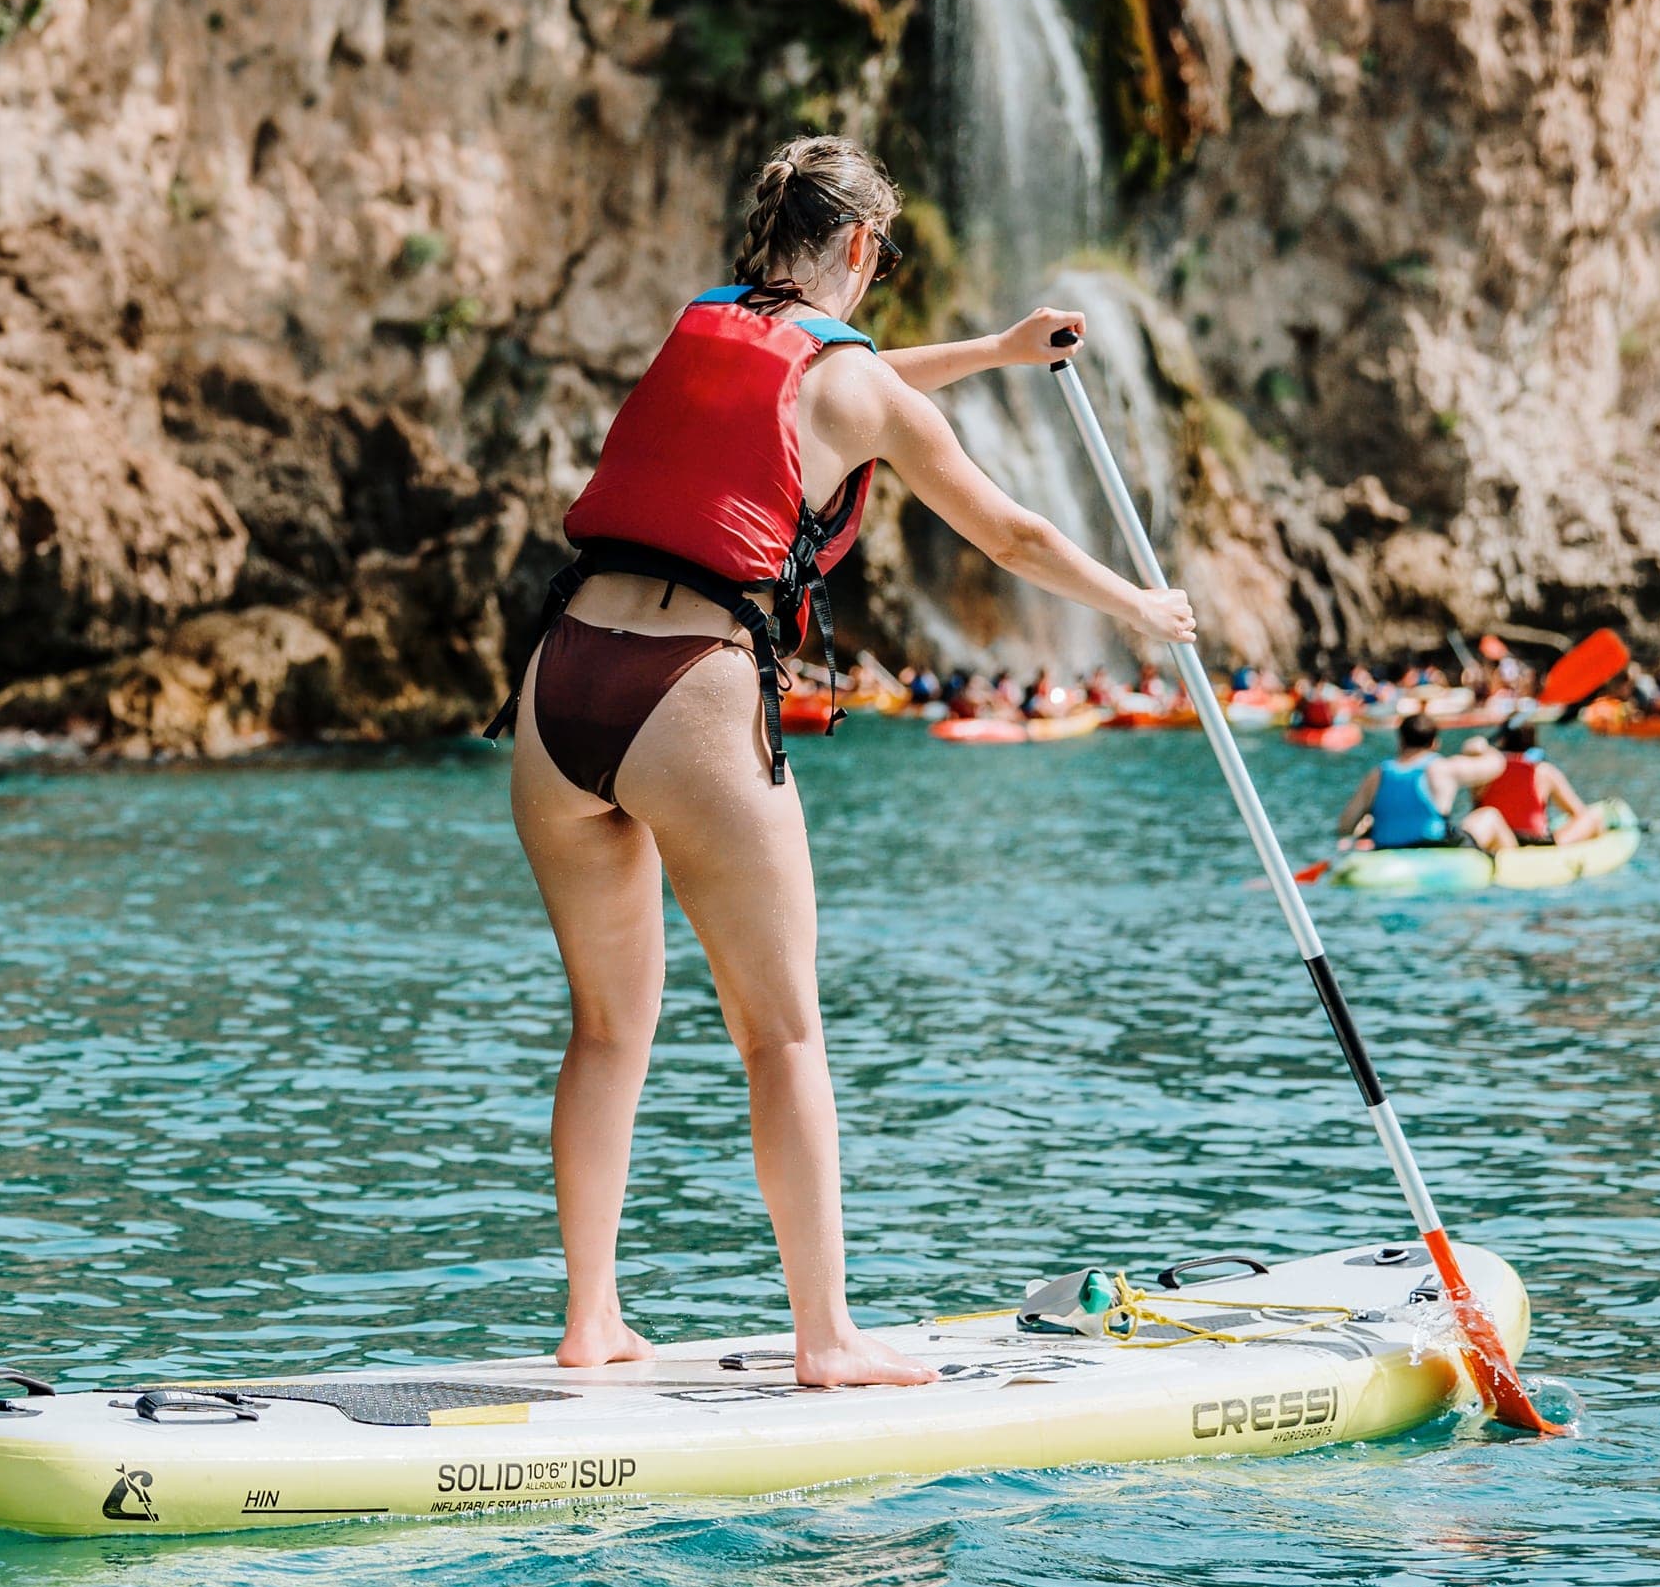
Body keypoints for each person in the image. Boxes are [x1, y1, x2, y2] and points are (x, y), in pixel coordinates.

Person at [500, 137, 1195, 1388]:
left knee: (607, 1028)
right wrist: (1137, 606)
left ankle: (589, 1320)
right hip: (687, 694)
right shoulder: (855, 383)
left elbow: (837, 382)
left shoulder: (698, 321)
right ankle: (825, 1336)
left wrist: (991, 354)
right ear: (862, 250)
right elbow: (1011, 530)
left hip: (559, 682)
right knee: (783, 1039)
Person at [1337, 711, 1509, 852]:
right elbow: (1497, 766)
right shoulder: (1442, 768)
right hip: (1433, 849)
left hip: (1386, 848)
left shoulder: (1378, 774)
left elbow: (1345, 825)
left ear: (1401, 741)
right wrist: (1483, 747)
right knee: (1489, 816)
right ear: (1435, 743)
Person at [1470, 717, 1601, 848]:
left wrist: (1487, 746)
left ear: (1502, 739)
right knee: (1592, 816)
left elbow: (1473, 748)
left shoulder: (1487, 770)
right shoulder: (1543, 771)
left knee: (1487, 816)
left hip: (1501, 839)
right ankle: (1559, 848)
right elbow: (1578, 812)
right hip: (1537, 843)